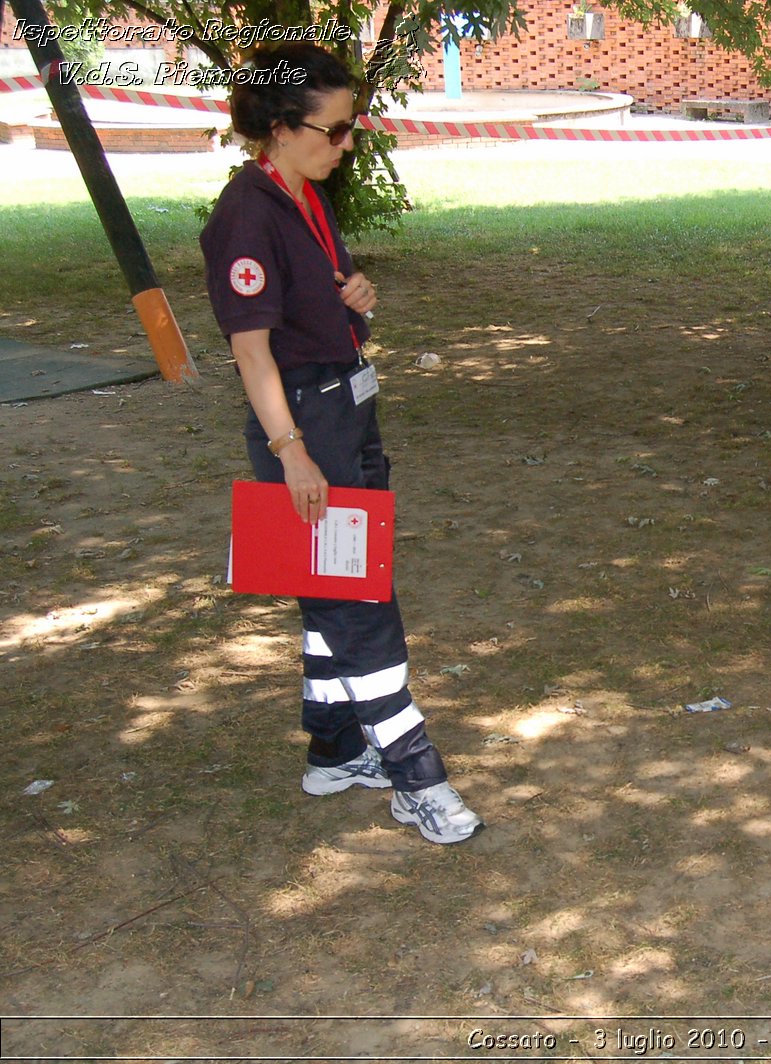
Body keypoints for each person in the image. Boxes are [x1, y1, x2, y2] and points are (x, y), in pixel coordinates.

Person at [199, 43, 482, 844]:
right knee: (360, 604)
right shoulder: (245, 216)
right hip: (305, 424)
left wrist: (355, 298)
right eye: (336, 130)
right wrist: (290, 451)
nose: (348, 143)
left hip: (343, 406)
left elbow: (316, 299)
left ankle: (334, 748)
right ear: (283, 128)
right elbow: (250, 352)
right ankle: (415, 777)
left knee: (332, 585)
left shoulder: (303, 193)